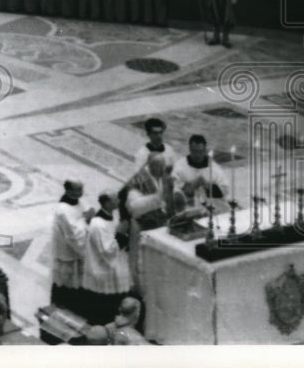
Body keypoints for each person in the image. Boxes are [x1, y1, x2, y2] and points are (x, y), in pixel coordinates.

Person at [123, 153, 175, 290]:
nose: (163, 170)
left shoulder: (163, 176)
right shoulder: (138, 181)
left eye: (164, 166)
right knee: (141, 264)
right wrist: (158, 197)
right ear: (150, 166)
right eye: (160, 167)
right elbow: (134, 208)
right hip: (141, 226)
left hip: (160, 224)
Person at [82, 192, 131, 326]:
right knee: (103, 313)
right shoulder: (98, 224)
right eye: (116, 198)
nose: (119, 200)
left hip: (112, 269)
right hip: (103, 273)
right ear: (107, 203)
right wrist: (121, 234)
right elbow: (107, 250)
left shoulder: (112, 217)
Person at [51, 179, 92, 314]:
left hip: (75, 252)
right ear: (68, 191)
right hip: (68, 252)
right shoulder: (63, 210)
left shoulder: (80, 202)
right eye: (77, 190)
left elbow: (87, 213)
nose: (80, 193)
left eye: (81, 189)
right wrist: (86, 220)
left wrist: (90, 218)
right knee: (67, 285)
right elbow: (74, 235)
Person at [171, 134, 230, 205]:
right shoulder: (180, 166)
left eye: (200, 151)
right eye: (194, 151)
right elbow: (173, 190)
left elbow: (225, 191)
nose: (197, 155)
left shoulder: (214, 168)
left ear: (205, 150)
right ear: (189, 149)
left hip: (210, 205)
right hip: (188, 205)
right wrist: (190, 187)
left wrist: (207, 186)